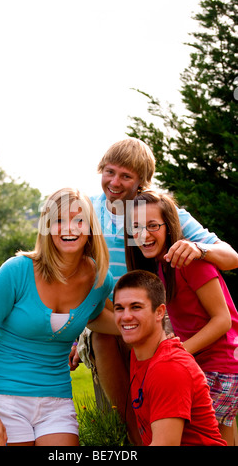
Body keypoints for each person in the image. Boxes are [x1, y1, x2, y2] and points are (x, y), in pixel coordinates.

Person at [75, 137, 238, 444]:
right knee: (101, 333)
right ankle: (136, 434)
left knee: (206, 426)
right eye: (109, 172)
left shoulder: (158, 213)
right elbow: (71, 278)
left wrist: (199, 249)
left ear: (141, 182)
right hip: (113, 312)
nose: (114, 182)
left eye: (126, 176)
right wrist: (71, 336)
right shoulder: (88, 213)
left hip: (163, 322)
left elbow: (232, 259)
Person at [0, 188, 119, 447]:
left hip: (56, 401)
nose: (68, 228)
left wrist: (146, 326)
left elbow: (93, 317)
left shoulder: (99, 280)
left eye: (78, 220)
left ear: (90, 228)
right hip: (3, 396)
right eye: (59, 220)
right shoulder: (16, 271)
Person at [125, 190, 238, 445]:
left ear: (170, 226)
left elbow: (223, 320)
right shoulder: (163, 265)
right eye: (136, 227)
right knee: (221, 437)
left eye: (152, 225)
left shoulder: (190, 261)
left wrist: (178, 352)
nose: (143, 234)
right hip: (208, 363)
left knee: (193, 437)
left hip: (220, 366)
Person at [113, 269, 227, 446]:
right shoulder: (141, 354)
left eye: (136, 307)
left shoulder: (168, 368)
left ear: (159, 312)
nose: (126, 316)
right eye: (119, 308)